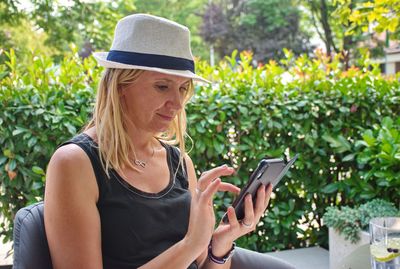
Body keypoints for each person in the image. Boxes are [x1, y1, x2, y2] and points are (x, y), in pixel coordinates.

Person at [44, 13, 295, 269]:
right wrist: (190, 245)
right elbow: (191, 248)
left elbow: (204, 265)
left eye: (183, 88)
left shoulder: (179, 162)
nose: (177, 103)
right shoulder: (74, 163)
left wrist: (220, 245)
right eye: (162, 86)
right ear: (121, 85)